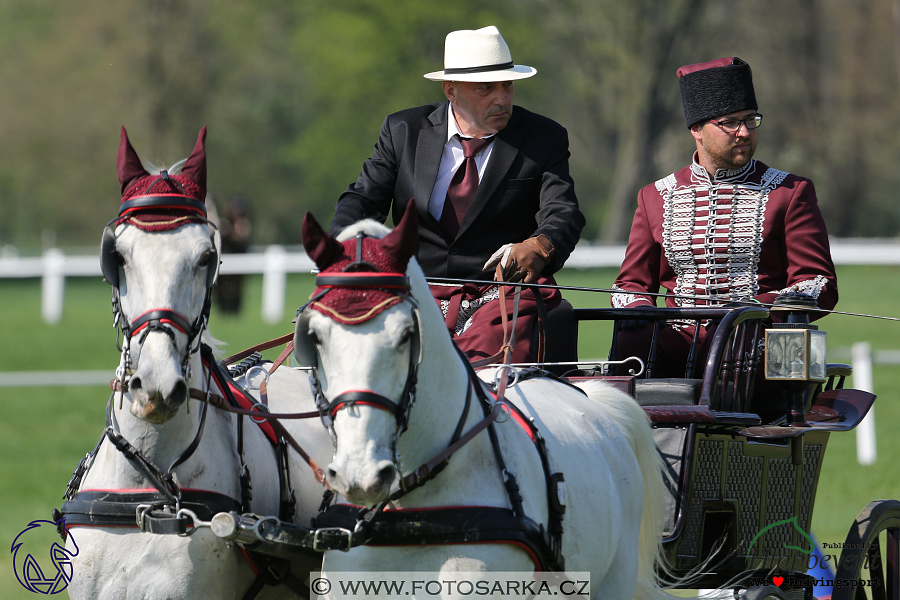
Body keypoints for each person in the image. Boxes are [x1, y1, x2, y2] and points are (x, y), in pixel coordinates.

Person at [330, 25, 585, 362]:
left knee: (477, 367)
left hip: (503, 297)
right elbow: (362, 200)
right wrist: (341, 249)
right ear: (450, 90)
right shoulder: (403, 131)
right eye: (486, 89)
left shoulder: (544, 137)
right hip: (416, 290)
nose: (503, 98)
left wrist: (540, 245)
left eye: (507, 85)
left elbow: (563, 212)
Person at [611, 57, 838, 377]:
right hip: (680, 338)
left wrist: (758, 309)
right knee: (632, 338)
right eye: (730, 122)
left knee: (757, 345)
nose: (744, 132)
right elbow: (629, 285)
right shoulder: (654, 196)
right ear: (697, 130)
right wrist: (637, 307)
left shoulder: (790, 191)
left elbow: (818, 282)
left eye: (750, 120)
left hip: (757, 336)